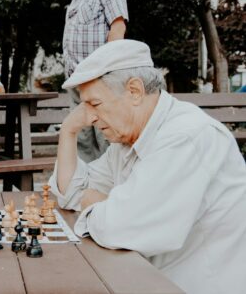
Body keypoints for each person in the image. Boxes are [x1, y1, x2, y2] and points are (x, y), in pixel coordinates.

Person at [48, 40, 246, 294]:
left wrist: (104, 206)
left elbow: (119, 227)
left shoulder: (185, 137)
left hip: (191, 285)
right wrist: (68, 131)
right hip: (147, 277)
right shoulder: (127, 141)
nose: (90, 117)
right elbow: (71, 193)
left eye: (95, 104)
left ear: (134, 91)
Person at [62, 0, 128, 162]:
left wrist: (107, 71)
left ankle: (110, 186)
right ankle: (85, 186)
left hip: (99, 79)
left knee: (106, 139)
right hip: (76, 79)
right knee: (82, 141)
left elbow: (118, 28)